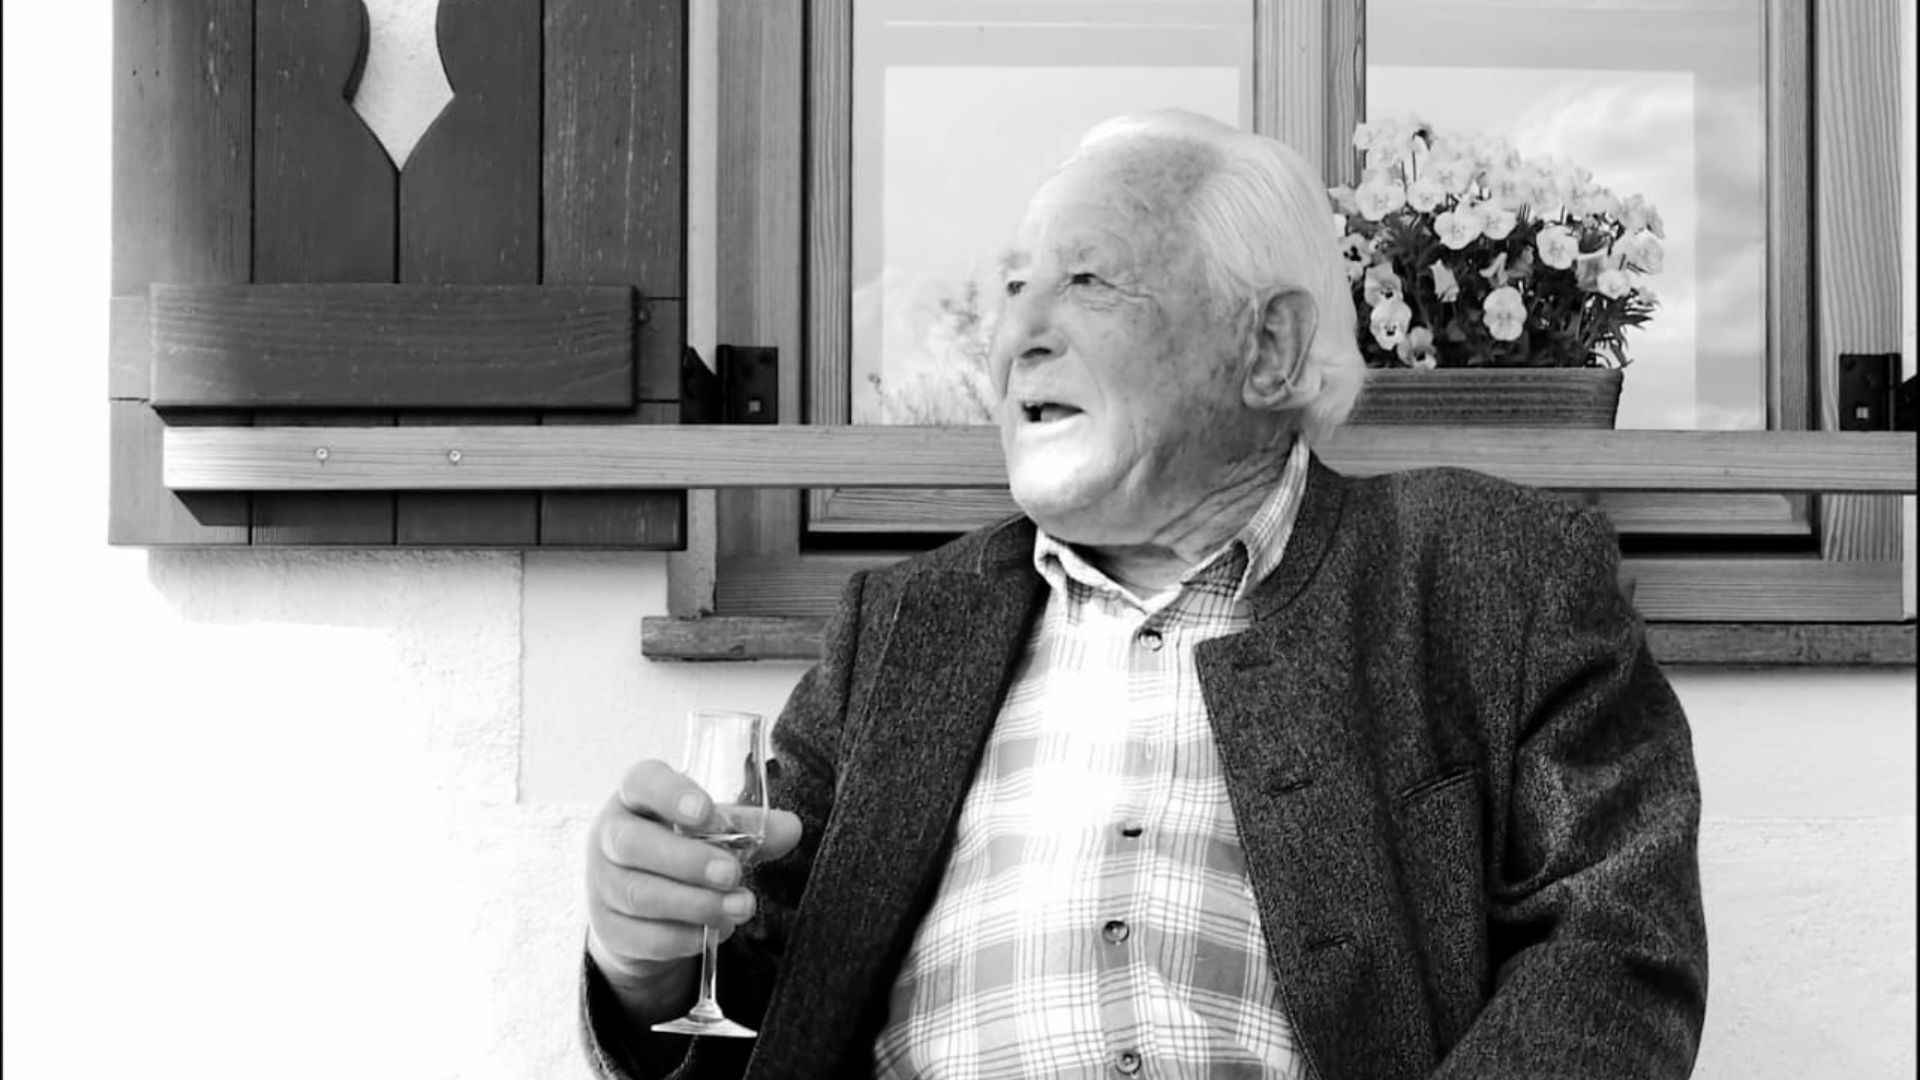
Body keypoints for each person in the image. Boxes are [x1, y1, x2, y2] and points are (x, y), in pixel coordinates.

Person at [579, 110, 1707, 1079]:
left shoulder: (1490, 573)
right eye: (1012, 289)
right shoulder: (901, 632)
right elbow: (753, 997)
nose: (1017, 337)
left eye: (1086, 282)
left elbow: (1615, 951)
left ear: (1269, 349)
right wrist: (647, 964)